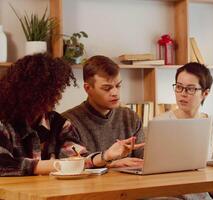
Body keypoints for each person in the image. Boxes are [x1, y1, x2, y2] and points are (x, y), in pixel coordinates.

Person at [0, 54, 136, 176]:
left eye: (57, 90)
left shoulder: (58, 123)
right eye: (50, 92)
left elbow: (78, 158)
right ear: (28, 92)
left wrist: (106, 156)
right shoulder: (4, 124)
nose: (56, 97)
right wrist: (53, 165)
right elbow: (3, 165)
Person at [63, 55, 144, 168]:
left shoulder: (130, 117)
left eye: (118, 85)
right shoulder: (68, 122)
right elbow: (71, 164)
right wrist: (110, 164)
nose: (115, 92)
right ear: (88, 89)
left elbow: (144, 157)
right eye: (107, 88)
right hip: (88, 185)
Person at [156, 62, 213, 200]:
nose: (182, 94)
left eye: (190, 89)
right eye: (179, 87)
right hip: (168, 194)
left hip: (203, 193)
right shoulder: (160, 123)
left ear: (205, 93)